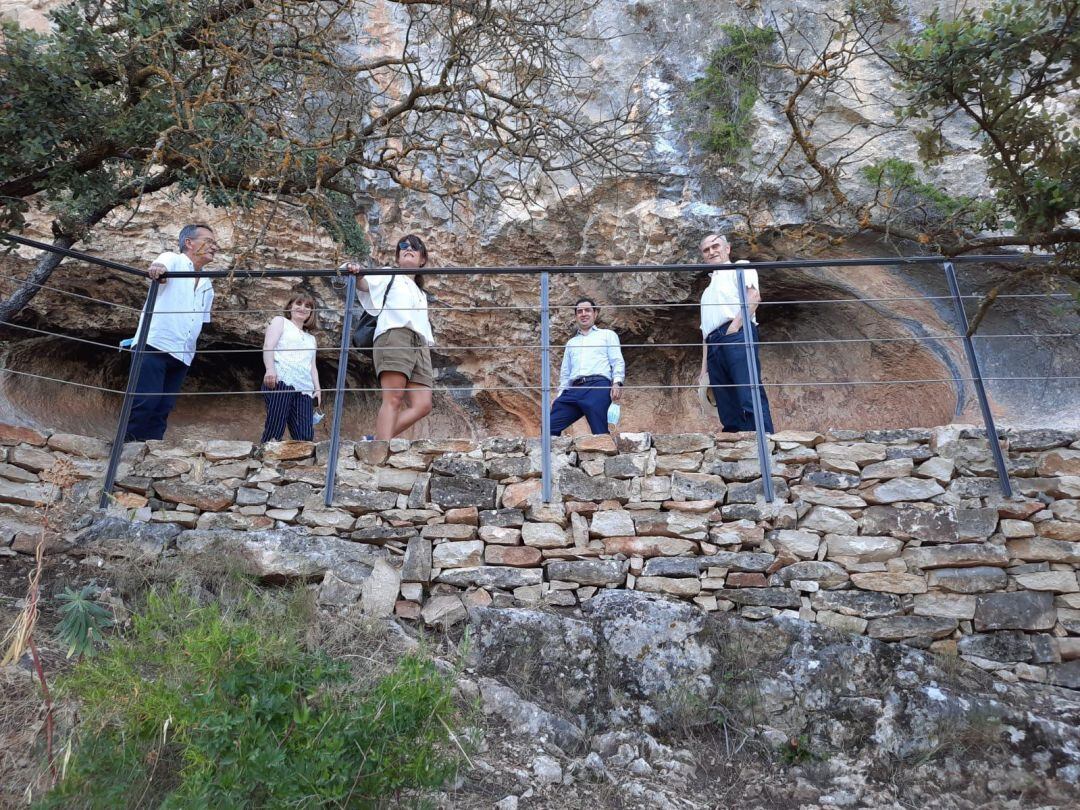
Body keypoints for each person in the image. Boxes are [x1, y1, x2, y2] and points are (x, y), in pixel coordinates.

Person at [125, 224, 217, 441]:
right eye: (209, 241)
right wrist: (158, 269)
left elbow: (201, 320)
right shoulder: (173, 260)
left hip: (183, 353)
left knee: (163, 407)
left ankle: (152, 450)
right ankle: (126, 448)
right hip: (155, 344)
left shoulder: (207, 283)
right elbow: (160, 266)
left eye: (215, 243)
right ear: (189, 243)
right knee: (145, 401)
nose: (215, 247)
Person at [344, 234, 434, 440]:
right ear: (397, 257)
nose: (408, 248)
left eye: (415, 246)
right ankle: (379, 450)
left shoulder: (422, 293)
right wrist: (355, 271)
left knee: (423, 405)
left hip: (420, 345)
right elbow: (364, 284)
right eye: (403, 246)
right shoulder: (389, 275)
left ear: (422, 259)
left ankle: (376, 441)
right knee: (394, 398)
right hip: (395, 336)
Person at [697, 233, 775, 433]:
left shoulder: (740, 267)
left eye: (715, 246)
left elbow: (753, 296)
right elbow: (705, 332)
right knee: (724, 397)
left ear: (728, 248)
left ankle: (762, 439)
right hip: (713, 342)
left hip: (735, 331)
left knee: (747, 388)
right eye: (706, 250)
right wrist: (704, 368)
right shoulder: (706, 292)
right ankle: (734, 441)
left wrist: (734, 327)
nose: (711, 252)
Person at [549, 297, 625, 435]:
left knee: (599, 431)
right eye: (579, 311)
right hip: (573, 389)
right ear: (576, 316)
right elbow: (565, 372)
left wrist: (617, 382)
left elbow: (617, 361)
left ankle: (604, 449)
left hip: (598, 386)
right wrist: (560, 395)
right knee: (549, 426)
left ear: (595, 313)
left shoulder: (607, 335)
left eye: (587, 310)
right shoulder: (571, 343)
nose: (583, 314)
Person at [260, 291, 322, 442]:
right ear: (290, 307)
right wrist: (270, 369)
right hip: (281, 380)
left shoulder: (311, 339)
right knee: (276, 427)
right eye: (298, 303)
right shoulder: (280, 322)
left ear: (311, 312)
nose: (303, 308)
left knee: (305, 435)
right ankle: (264, 454)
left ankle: (299, 458)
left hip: (304, 388)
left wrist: (318, 389)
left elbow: (312, 366)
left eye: (308, 306)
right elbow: (268, 346)